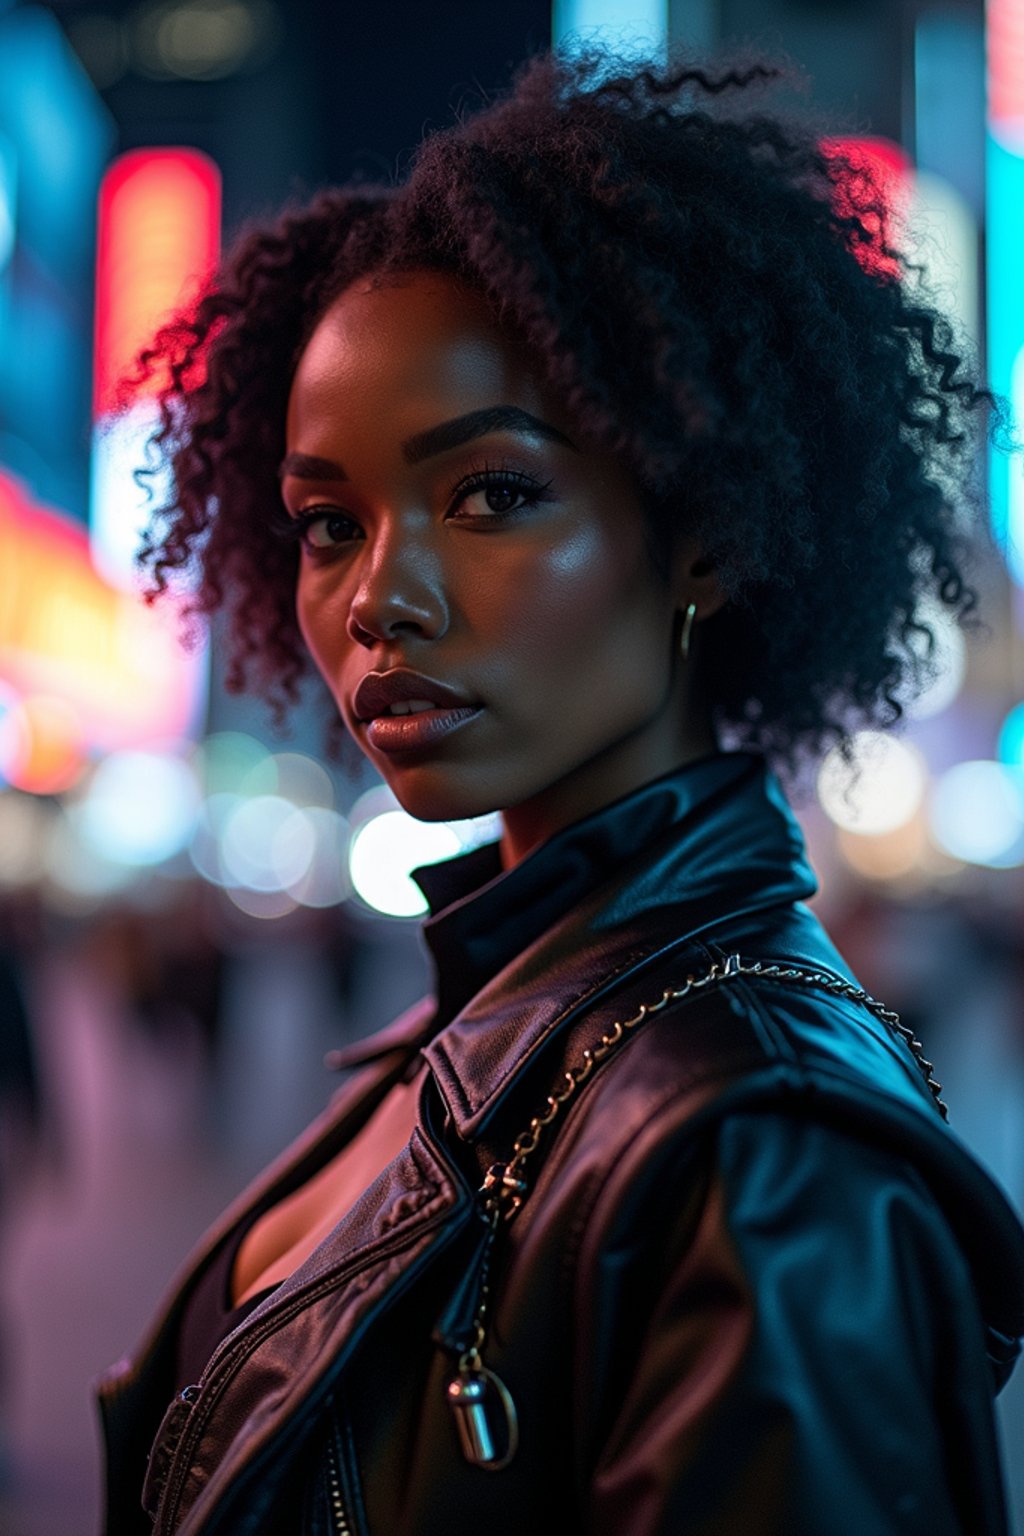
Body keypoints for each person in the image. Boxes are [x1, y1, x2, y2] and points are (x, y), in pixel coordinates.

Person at [97, 44, 1024, 1536]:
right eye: (328, 521)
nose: (379, 600)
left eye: (494, 495)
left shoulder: (764, 1162)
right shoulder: (486, 1027)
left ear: (704, 534)